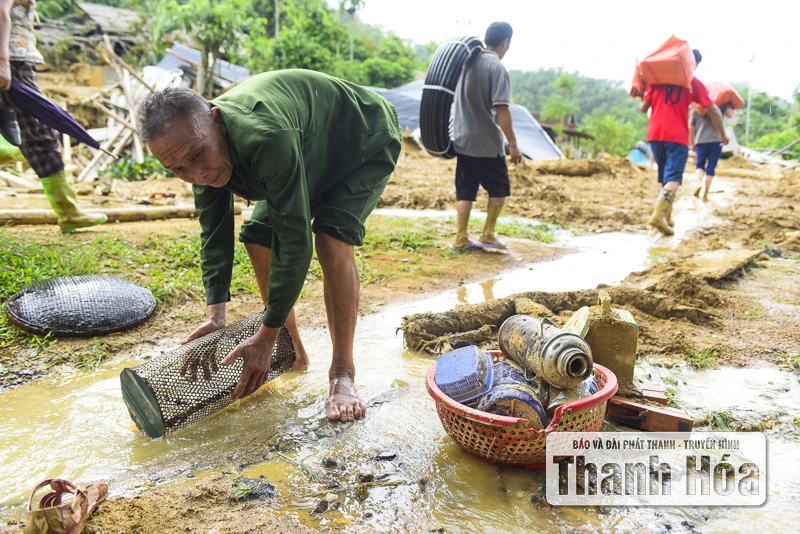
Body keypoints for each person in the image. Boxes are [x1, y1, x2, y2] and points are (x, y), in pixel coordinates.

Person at [136, 70, 401, 422]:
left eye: (198, 155)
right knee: (257, 235)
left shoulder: (265, 136)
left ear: (217, 120)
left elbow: (295, 244)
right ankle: (294, 353)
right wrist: (216, 315)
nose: (197, 175)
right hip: (305, 146)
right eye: (177, 169)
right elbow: (214, 233)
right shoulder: (192, 150)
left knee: (331, 240)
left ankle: (342, 373)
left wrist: (265, 334)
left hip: (361, 140)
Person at [0, 0, 106, 232]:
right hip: (13, 62)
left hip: (14, 61)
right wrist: (3, 62)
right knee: (40, 134)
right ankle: (69, 213)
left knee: (34, 136)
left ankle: (69, 212)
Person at [639, 49, 727, 235]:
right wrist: (722, 134)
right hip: (676, 136)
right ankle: (659, 216)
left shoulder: (657, 80)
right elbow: (713, 110)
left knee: (663, 177)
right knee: (674, 179)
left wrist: (642, 90)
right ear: (694, 64)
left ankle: (667, 216)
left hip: (655, 134)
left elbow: (643, 108)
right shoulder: (693, 83)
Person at [451, 21, 522, 251]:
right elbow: (502, 109)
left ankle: (460, 238)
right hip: (486, 144)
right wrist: (513, 145)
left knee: (465, 191)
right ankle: (488, 235)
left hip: (462, 140)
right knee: (499, 189)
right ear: (505, 42)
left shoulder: (466, 62)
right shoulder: (497, 68)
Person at [690, 102, 734, 201]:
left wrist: (693, 142)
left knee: (700, 165)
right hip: (716, 140)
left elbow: (691, 127)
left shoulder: (696, 106)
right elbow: (730, 115)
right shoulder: (721, 103)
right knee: (711, 168)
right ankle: (705, 195)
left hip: (701, 140)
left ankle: (699, 183)